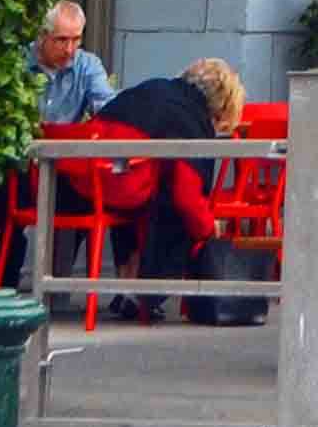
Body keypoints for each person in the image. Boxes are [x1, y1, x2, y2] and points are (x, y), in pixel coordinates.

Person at [92, 57, 247, 317]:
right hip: (119, 187)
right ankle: (146, 294)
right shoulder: (190, 119)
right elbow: (187, 196)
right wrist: (210, 227)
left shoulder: (153, 89)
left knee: (141, 190)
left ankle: (126, 287)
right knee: (168, 205)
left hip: (82, 180)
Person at [34, 0, 116, 125]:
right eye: (61, 39)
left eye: (76, 39)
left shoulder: (87, 65)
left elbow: (108, 108)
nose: (69, 49)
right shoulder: (19, 62)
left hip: (67, 143)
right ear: (42, 35)